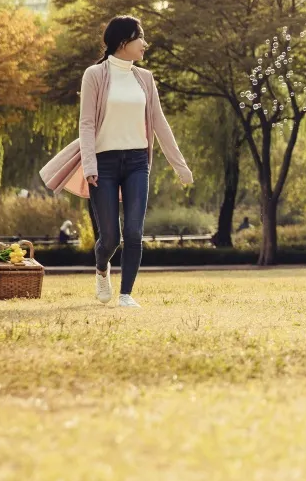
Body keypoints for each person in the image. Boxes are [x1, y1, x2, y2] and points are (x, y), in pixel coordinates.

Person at [40, 16, 193, 308]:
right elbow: (86, 124)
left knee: (134, 232)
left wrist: (180, 166)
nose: (145, 44)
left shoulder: (145, 78)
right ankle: (101, 269)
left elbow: (159, 123)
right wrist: (89, 165)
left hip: (137, 161)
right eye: (140, 38)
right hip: (104, 163)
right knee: (110, 237)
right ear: (123, 42)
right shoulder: (94, 75)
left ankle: (126, 294)